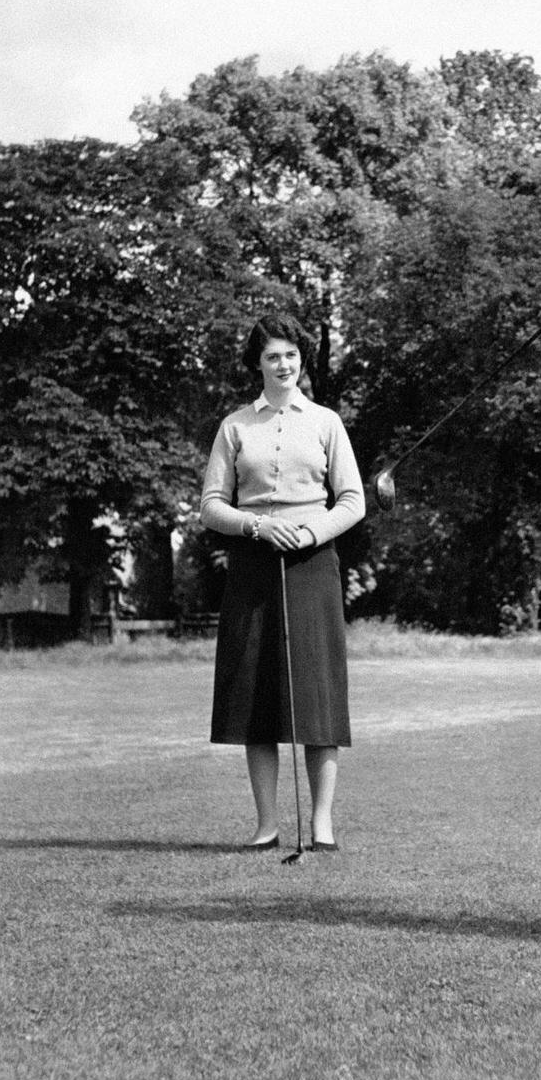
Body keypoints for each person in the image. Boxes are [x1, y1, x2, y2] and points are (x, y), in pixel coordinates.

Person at [201, 314, 365, 851]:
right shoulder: (234, 427)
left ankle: (322, 827)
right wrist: (256, 525)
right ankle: (267, 825)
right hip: (252, 567)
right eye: (273, 356)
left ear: (302, 360)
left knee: (317, 695)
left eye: (292, 355)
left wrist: (312, 533)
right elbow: (209, 507)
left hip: (312, 569)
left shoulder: (326, 422)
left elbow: (353, 501)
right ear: (258, 364)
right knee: (255, 695)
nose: (284, 365)